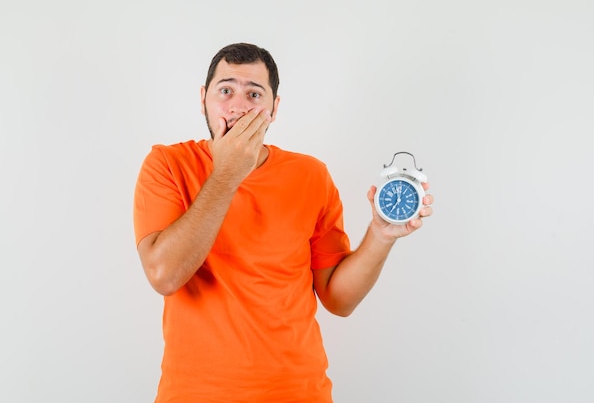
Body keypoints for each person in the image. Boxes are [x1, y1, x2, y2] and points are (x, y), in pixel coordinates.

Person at [133, 42, 434, 403]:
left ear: (274, 109)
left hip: (299, 393)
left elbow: (339, 299)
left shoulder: (311, 175)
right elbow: (164, 274)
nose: (239, 105)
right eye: (225, 89)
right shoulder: (167, 165)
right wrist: (228, 173)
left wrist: (381, 236)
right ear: (203, 100)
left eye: (254, 94)